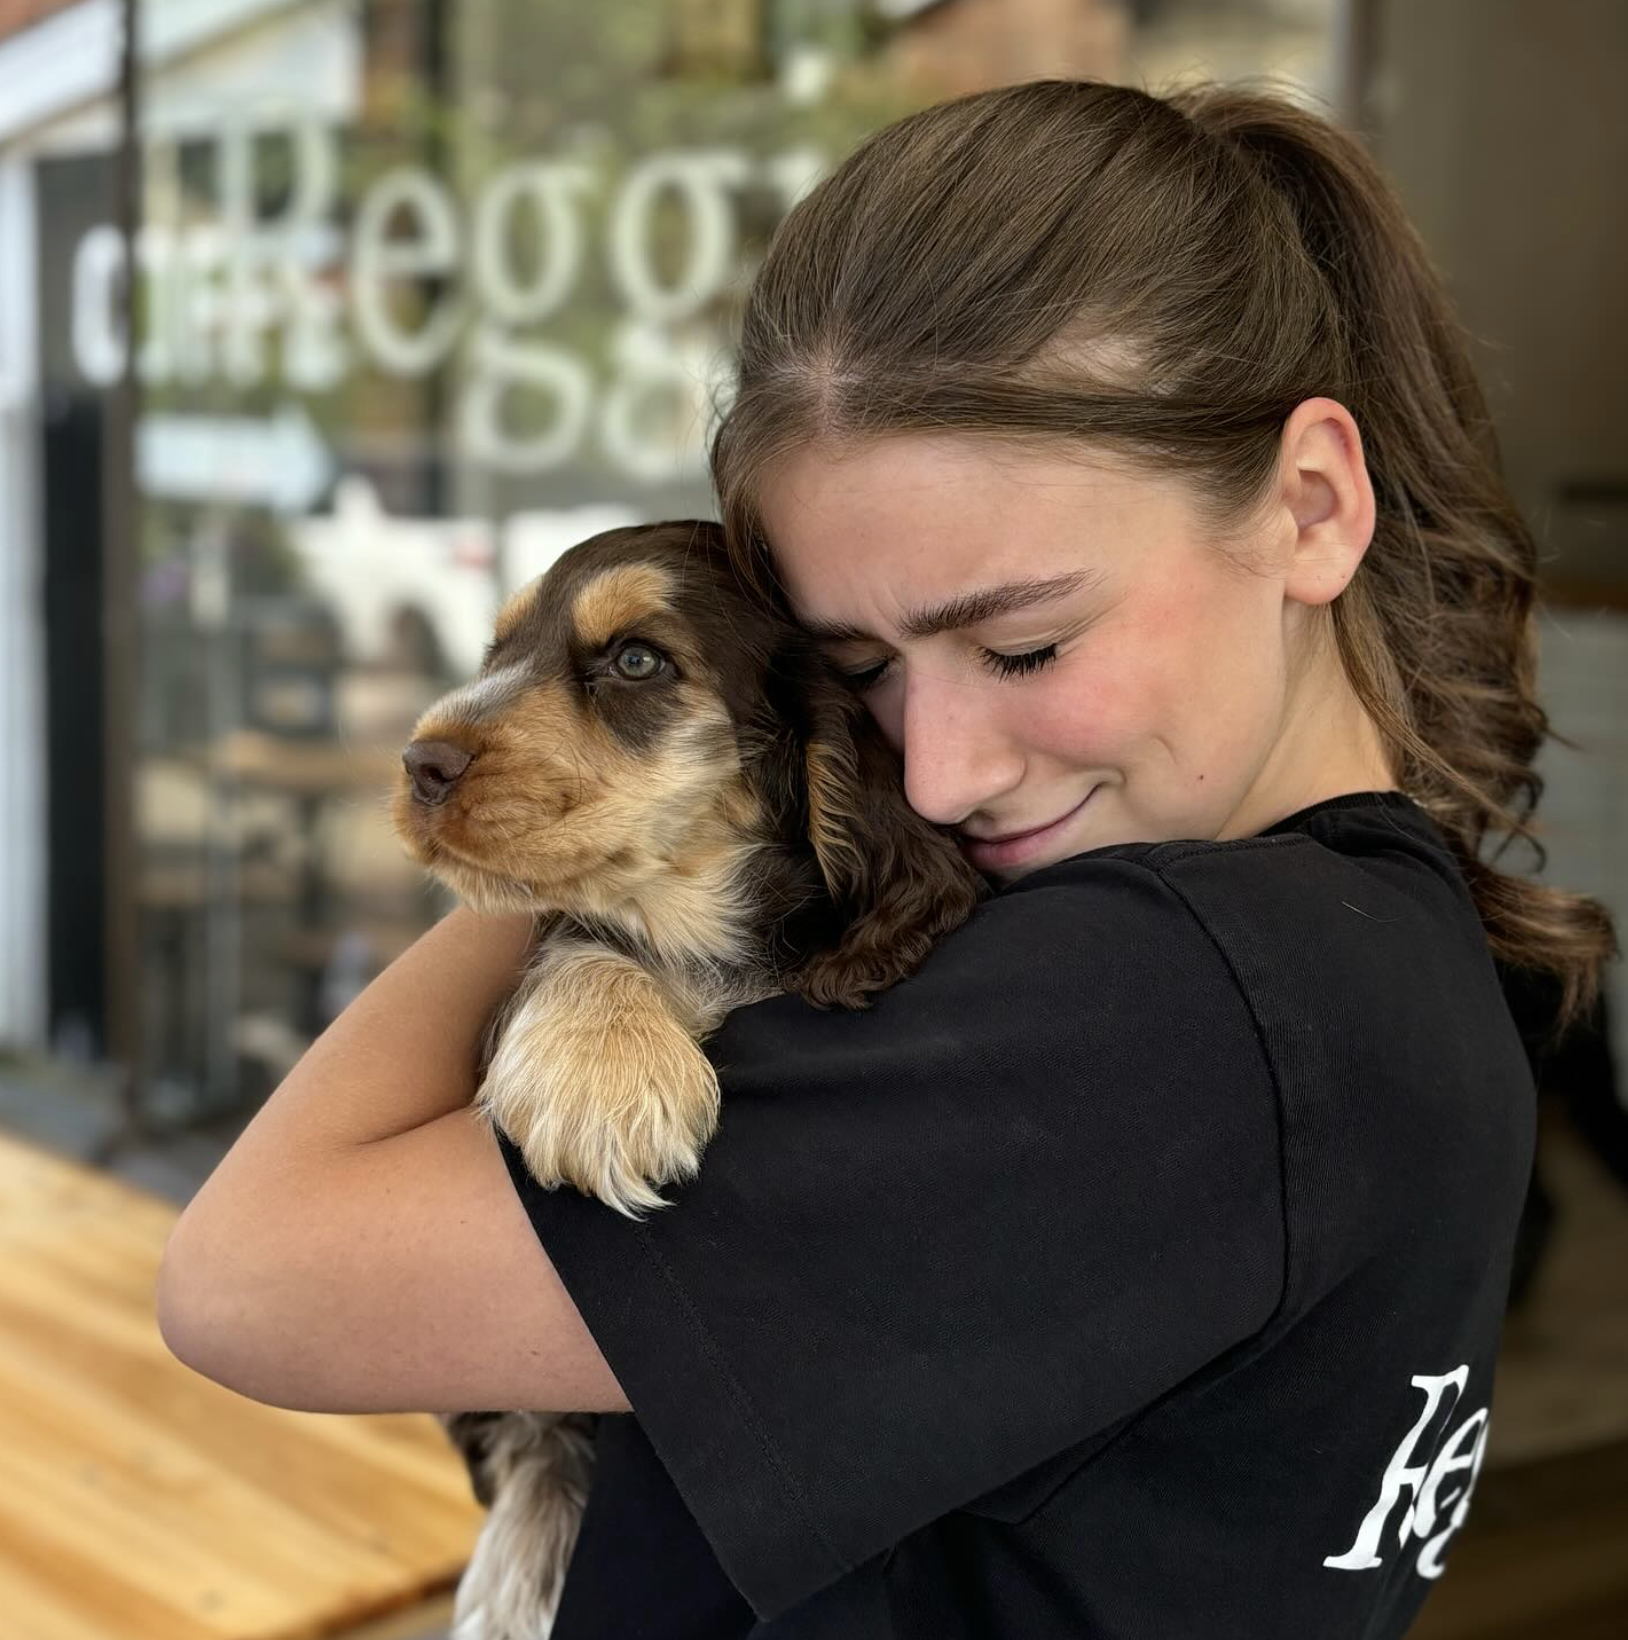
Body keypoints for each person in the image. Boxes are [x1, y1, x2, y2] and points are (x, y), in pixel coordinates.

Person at [158, 79, 1617, 1640]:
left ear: (1312, 507)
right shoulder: (1380, 959)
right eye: (856, 676)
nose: (933, 769)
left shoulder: (1178, 1010)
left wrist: (583, 881)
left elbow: (253, 1277)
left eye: (1026, 639)